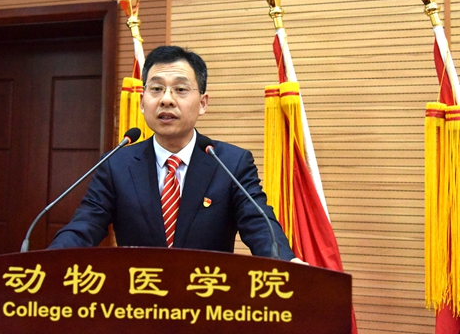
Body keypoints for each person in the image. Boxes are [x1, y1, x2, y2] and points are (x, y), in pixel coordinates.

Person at [48, 45, 301, 262]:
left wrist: (288, 265)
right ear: (142, 102)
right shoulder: (116, 164)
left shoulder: (231, 163)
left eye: (180, 89)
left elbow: (261, 227)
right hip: (139, 296)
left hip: (206, 296)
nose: (166, 100)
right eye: (156, 89)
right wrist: (49, 261)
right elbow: (84, 226)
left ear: (203, 103)